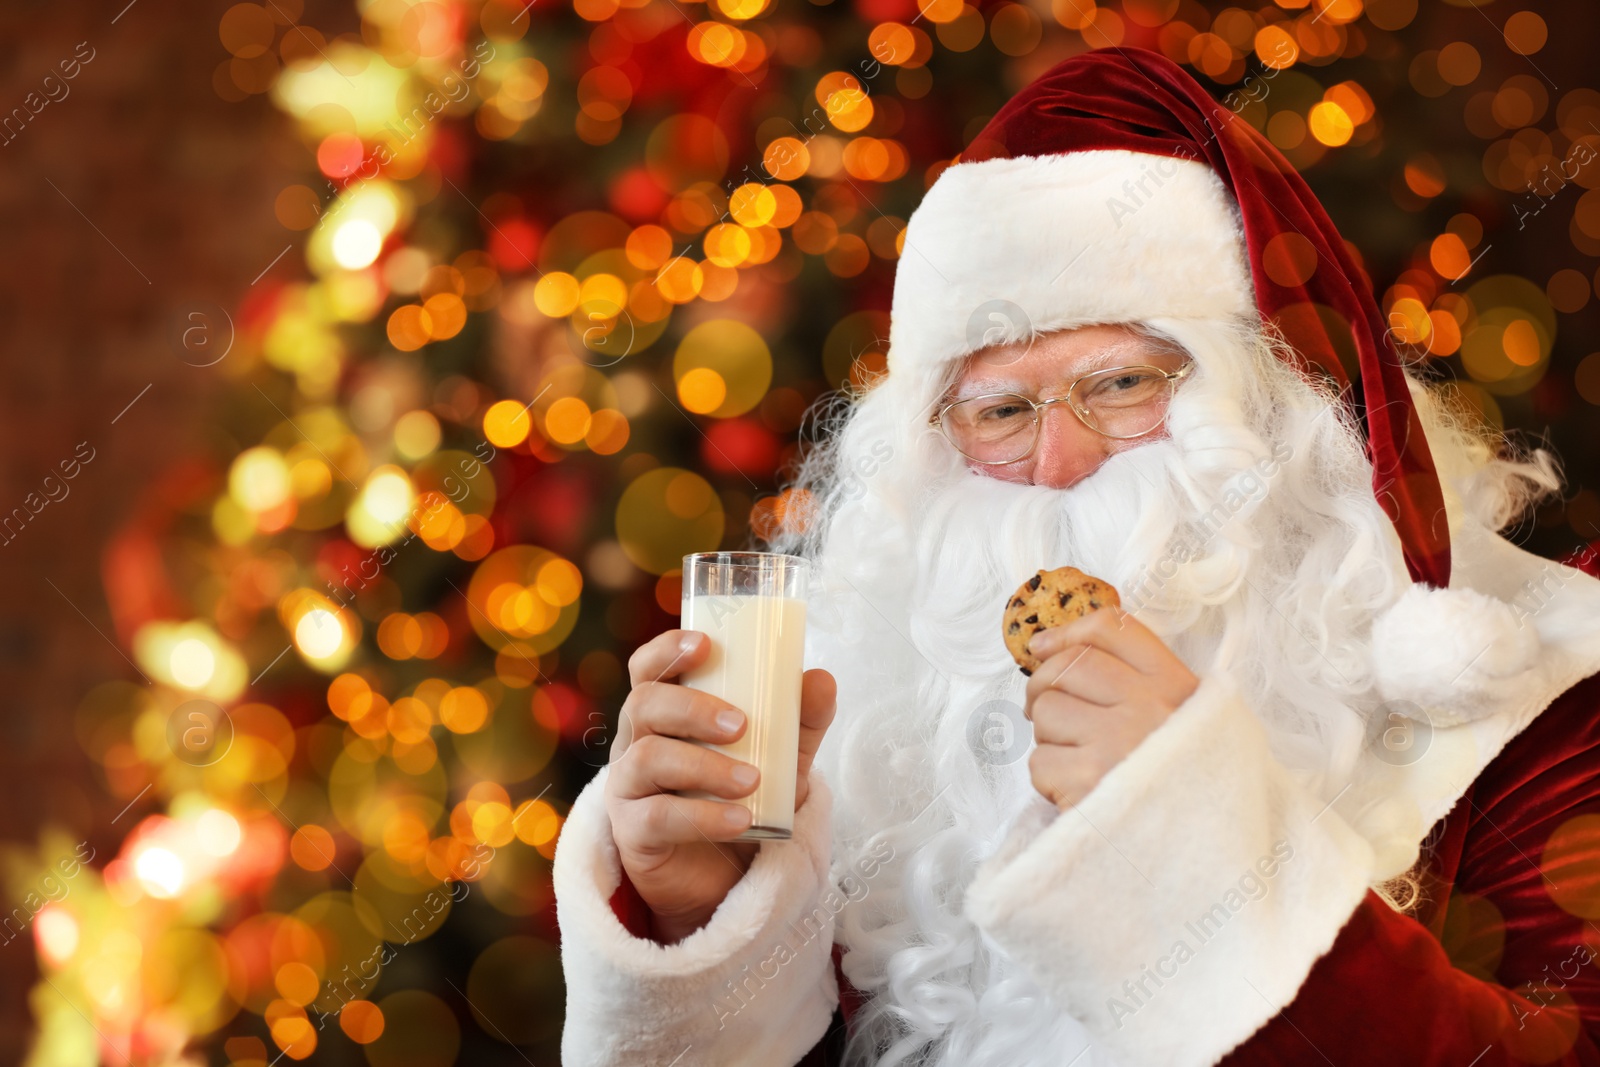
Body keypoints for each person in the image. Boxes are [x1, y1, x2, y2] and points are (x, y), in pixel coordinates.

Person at [552, 45, 1600, 1067]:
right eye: (999, 410)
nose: (1058, 461)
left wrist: (1192, 847)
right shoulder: (865, 743)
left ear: (1277, 401)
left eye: (1120, 386)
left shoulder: (1544, 701)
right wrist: (706, 920)